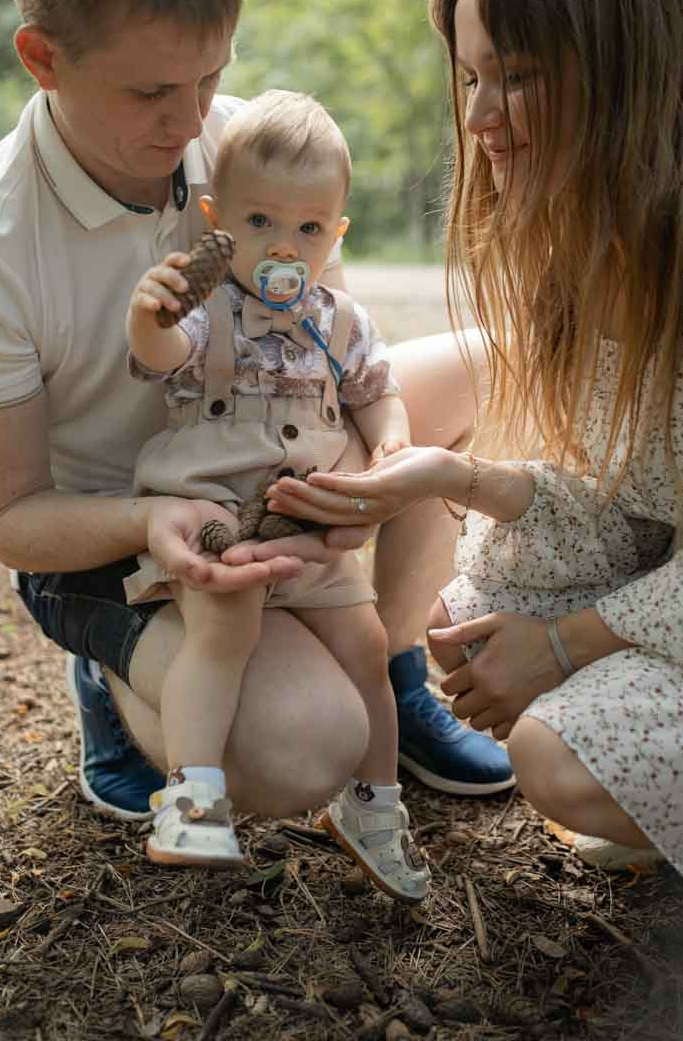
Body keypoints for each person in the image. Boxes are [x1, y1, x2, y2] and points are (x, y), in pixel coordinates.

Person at [0, 0, 511, 828]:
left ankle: (388, 663)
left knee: (490, 364)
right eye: (150, 92)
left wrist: (360, 474)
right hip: (120, 531)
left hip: (266, 457)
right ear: (42, 56)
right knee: (299, 756)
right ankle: (114, 674)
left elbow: (332, 348)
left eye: (210, 75)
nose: (191, 120)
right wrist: (149, 526)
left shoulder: (239, 141)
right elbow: (13, 520)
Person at [263, 0, 683, 892]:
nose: (482, 119)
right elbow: (640, 506)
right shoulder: (594, 252)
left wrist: (565, 642)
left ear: (627, 71)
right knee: (493, 585)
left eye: (519, 76)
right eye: (468, 80)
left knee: (556, 753)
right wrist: (449, 481)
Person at [115, 89, 429, 899]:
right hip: (216, 516)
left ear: (337, 233)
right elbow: (156, 357)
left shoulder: (345, 322)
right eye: (260, 224)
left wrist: (391, 434)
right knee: (222, 626)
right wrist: (151, 314)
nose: (284, 246)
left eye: (309, 229)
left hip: (308, 524)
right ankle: (193, 794)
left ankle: (375, 803)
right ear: (219, 221)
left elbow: (375, 390)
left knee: (368, 646)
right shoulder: (209, 311)